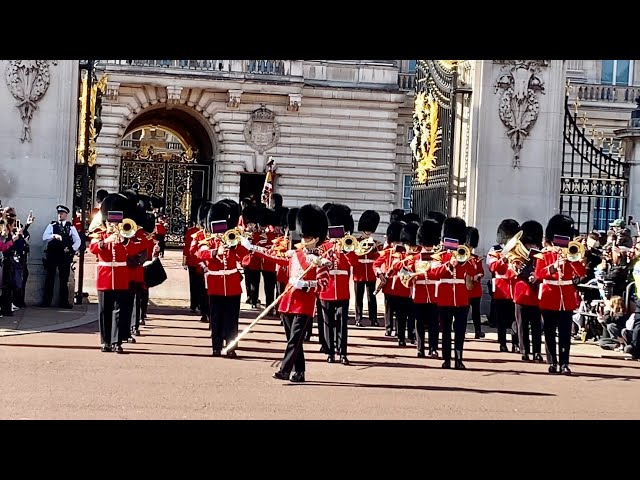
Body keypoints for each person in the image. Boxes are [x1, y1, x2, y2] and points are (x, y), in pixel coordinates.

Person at [242, 204, 331, 382]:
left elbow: (324, 284)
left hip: (304, 304)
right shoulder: (295, 254)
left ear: (317, 238)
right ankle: (300, 372)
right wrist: (253, 248)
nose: (305, 239)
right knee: (294, 340)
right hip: (287, 301)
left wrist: (306, 284)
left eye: (309, 237)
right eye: (304, 236)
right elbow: (274, 256)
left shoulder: (321, 260)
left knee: (294, 340)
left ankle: (284, 370)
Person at [535, 214, 586, 374]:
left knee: (565, 333)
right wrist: (553, 266)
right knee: (549, 332)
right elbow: (538, 274)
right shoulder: (544, 254)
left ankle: (564, 363)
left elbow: (581, 273)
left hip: (567, 299)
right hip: (550, 297)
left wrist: (572, 260)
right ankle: (552, 362)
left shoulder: (572, 254)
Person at [196, 201, 248, 357]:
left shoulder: (233, 240)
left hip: (232, 285)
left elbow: (245, 257)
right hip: (216, 285)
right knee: (217, 317)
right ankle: (216, 347)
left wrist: (237, 245)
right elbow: (200, 253)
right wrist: (215, 252)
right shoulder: (209, 242)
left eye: (222, 229)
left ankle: (231, 347)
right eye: (218, 229)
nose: (220, 233)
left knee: (232, 319)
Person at [427, 217, 476, 369]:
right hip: (445, 298)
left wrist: (465, 261)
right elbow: (433, 273)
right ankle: (447, 359)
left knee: (460, 332)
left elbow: (472, 272)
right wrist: (449, 265)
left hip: (461, 299)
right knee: (446, 331)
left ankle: (459, 360)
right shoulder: (439, 256)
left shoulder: (466, 256)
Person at [320, 203, 357, 365]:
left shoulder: (347, 245)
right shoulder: (323, 246)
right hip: (326, 289)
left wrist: (346, 251)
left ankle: (343, 353)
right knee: (328, 323)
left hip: (342, 290)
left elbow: (354, 263)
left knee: (342, 324)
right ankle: (330, 352)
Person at [508, 220, 544, 362]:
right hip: (522, 293)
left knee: (536, 326)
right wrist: (517, 270)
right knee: (522, 324)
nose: (531, 246)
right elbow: (510, 273)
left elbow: (542, 271)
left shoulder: (540, 254)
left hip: (535, 294)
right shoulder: (517, 255)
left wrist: (537, 276)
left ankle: (536, 352)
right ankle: (524, 350)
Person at [404, 219, 441, 357]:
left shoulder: (438, 258)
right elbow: (403, 272)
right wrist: (411, 276)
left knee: (433, 324)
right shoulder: (414, 258)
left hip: (434, 293)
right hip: (419, 293)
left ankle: (433, 348)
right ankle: (420, 348)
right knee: (419, 323)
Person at [373, 221, 411, 344]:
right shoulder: (388, 252)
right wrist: (380, 274)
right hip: (389, 286)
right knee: (389, 307)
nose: (397, 244)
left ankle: (401, 337)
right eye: (395, 241)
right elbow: (376, 264)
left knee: (402, 313)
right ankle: (388, 327)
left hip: (403, 286)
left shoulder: (407, 254)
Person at [487, 218, 521, 352]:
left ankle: (515, 343)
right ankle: (502, 342)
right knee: (501, 318)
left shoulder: (519, 250)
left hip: (515, 288)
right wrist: (503, 259)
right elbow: (493, 267)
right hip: (501, 287)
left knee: (515, 319)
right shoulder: (495, 249)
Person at [40, 205, 81, 309]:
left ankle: (64, 302)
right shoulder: (52, 225)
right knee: (49, 278)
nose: (60, 215)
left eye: (62, 213)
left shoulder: (70, 227)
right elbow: (45, 236)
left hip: (64, 256)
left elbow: (78, 240)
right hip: (53, 254)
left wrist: (71, 249)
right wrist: (54, 235)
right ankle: (46, 301)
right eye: (59, 213)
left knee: (64, 280)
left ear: (66, 215)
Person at [352, 210, 382, 327]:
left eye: (370, 230)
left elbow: (379, 258)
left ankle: (373, 318)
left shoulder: (376, 243)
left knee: (372, 297)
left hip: (370, 272)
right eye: (367, 230)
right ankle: (358, 318)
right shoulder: (356, 242)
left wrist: (375, 250)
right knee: (358, 298)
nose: (368, 232)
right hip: (359, 272)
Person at [465, 226, 485, 339]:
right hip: (465, 289)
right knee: (464, 311)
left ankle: (478, 331)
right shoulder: (463, 257)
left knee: (476, 312)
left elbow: (481, 272)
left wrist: (478, 276)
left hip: (475, 289)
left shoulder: (477, 259)